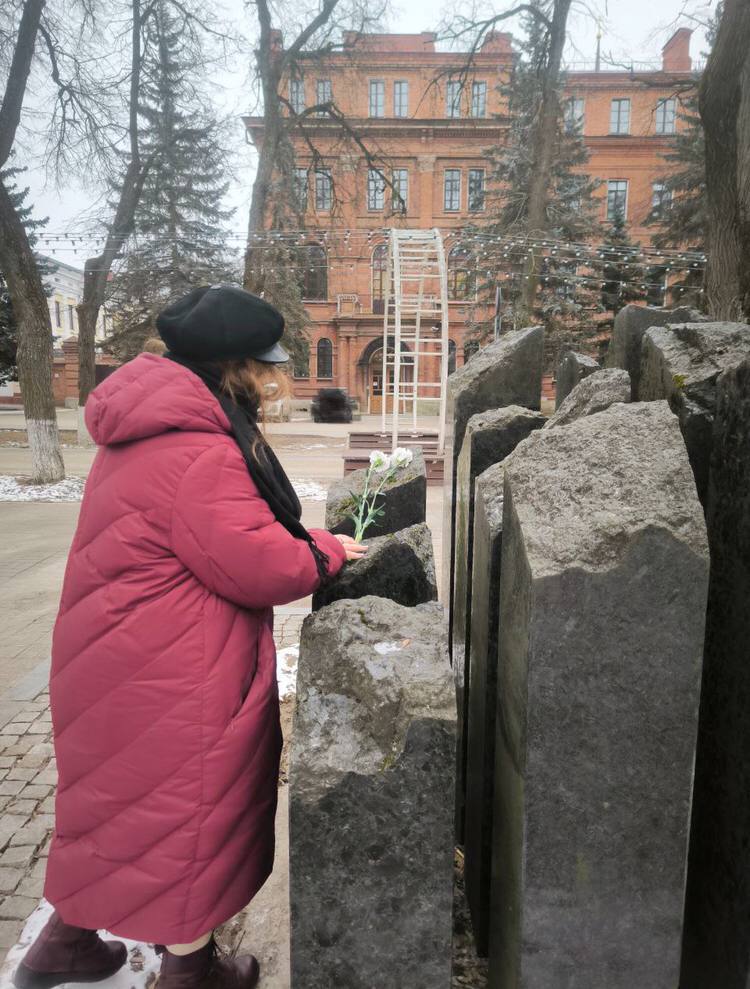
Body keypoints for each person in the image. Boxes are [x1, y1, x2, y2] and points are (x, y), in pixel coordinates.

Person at [13, 285, 366, 989]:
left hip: (113, 660)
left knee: (111, 808)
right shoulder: (200, 451)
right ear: (235, 369)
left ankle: (64, 944)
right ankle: (191, 970)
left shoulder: (145, 429)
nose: (275, 383)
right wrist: (327, 552)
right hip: (174, 673)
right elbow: (260, 563)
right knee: (190, 817)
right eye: (266, 370)